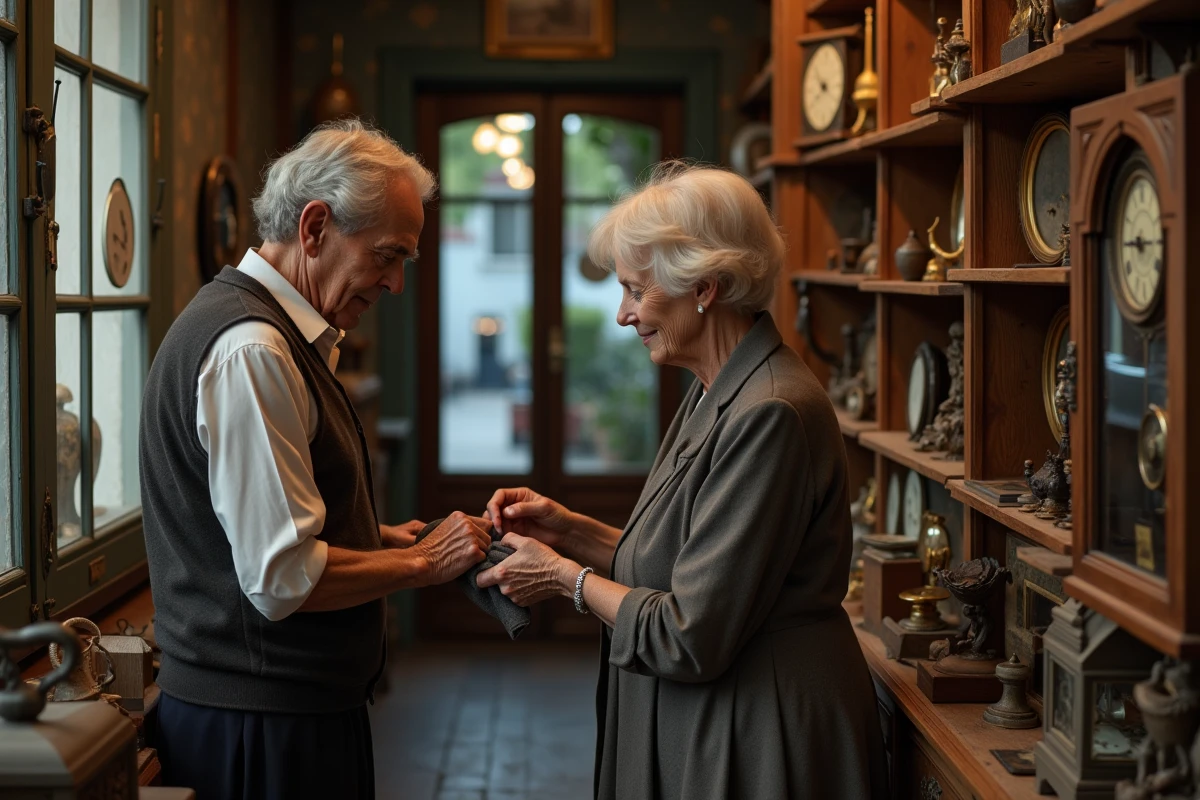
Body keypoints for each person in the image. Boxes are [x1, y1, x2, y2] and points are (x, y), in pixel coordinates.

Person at [477, 162, 889, 799]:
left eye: (636, 292)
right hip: (721, 715)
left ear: (706, 287)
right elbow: (681, 563)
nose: (622, 315)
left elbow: (691, 633)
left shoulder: (769, 412)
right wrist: (571, 529)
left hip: (761, 733)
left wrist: (565, 579)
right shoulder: (714, 389)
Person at [140, 119, 491, 800]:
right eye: (387, 256)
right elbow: (281, 577)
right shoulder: (254, 351)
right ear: (315, 227)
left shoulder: (275, 336)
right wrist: (426, 562)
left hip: (281, 714)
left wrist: (377, 541)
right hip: (259, 727)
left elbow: (263, 535)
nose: (393, 284)